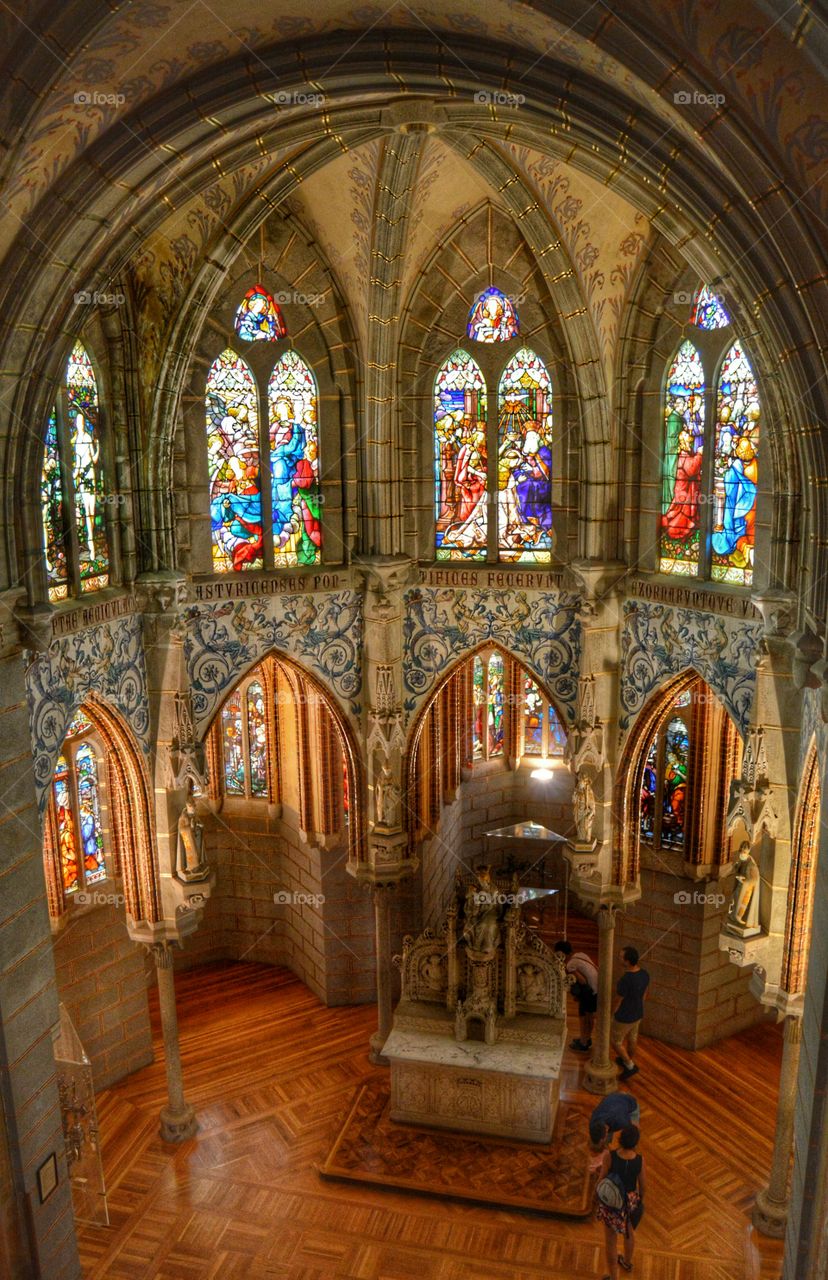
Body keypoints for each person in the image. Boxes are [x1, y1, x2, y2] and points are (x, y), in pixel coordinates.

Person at [595, 1124, 645, 1278]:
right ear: (635, 1142)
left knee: (610, 1240)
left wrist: (597, 1196)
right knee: (629, 1233)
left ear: (620, 1138)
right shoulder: (640, 1160)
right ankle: (627, 1262)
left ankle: (613, 1276)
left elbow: (601, 1179)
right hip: (629, 1202)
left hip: (612, 1202)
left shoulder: (610, 1156)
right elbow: (643, 1186)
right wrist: (638, 1202)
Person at [612, 946, 649, 1080]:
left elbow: (618, 1000)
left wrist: (611, 1013)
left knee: (615, 1041)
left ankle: (629, 1065)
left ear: (627, 961)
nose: (619, 958)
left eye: (621, 957)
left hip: (624, 1016)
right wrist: (639, 1005)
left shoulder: (625, 980)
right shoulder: (644, 974)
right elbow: (645, 993)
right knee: (632, 1039)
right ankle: (627, 1059)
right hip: (638, 1012)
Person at [555, 940, 598, 1051]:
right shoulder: (580, 954)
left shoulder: (570, 964)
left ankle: (583, 1043)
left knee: (584, 1017)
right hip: (596, 989)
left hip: (589, 993)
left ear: (561, 953)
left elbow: (582, 981)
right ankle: (586, 1038)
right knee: (589, 1016)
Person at [588, 1092, 641, 1172]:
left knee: (633, 1136)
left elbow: (633, 1133)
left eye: (602, 1141)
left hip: (631, 1105)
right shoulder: (593, 1122)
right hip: (613, 1099)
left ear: (606, 1131)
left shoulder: (621, 1121)